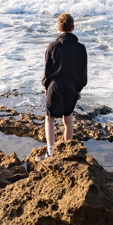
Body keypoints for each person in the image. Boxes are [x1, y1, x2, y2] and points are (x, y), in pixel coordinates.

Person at [42, 12, 87, 156]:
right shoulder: (81, 48)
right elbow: (83, 72)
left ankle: (50, 151)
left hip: (54, 85)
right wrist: (78, 88)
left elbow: (47, 70)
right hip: (71, 86)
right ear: (73, 27)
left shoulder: (52, 46)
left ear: (59, 28)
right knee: (68, 118)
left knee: (50, 118)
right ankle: (68, 152)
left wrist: (46, 86)